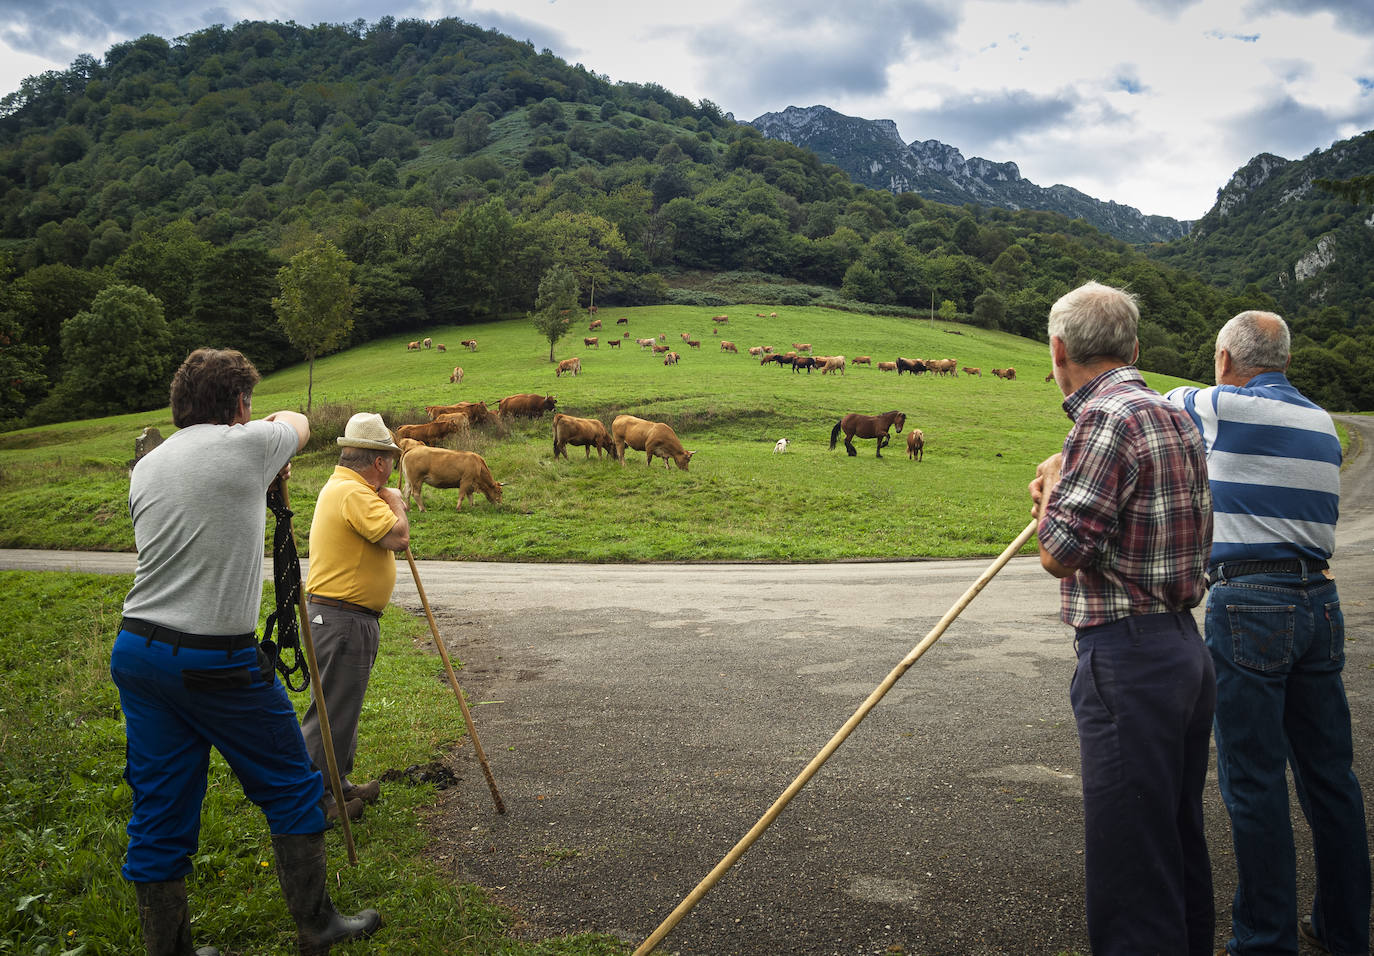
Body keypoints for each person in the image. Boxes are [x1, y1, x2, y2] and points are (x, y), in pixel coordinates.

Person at [112, 348, 380, 955]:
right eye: (248, 403)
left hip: (138, 651)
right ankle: (318, 926)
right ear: (240, 403)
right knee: (292, 784)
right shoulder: (249, 444)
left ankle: (170, 951)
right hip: (214, 658)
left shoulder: (148, 466)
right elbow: (299, 423)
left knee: (159, 807)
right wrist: (264, 437)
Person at [1166, 311, 1370, 956]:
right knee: (1330, 777)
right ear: (1285, 360)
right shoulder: (1322, 422)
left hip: (1250, 601)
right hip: (1321, 601)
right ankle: (1345, 929)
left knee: (1253, 779)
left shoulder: (1220, 406)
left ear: (1225, 360)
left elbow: (1149, 403)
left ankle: (1265, 940)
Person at [1027, 281, 1216, 955]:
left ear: (1058, 350)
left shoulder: (1104, 419)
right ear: (1134, 348)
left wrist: (1052, 487)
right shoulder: (1173, 415)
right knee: (1172, 840)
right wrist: (1064, 479)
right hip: (1183, 649)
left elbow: (1061, 552)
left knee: (1132, 862)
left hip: (1128, 657)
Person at [301, 413, 409, 820]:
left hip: (344, 617)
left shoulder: (347, 488)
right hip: (342, 619)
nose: (392, 469)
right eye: (391, 461)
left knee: (341, 706)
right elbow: (398, 537)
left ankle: (337, 783)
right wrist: (395, 502)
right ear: (379, 462)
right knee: (330, 712)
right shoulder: (353, 493)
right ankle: (314, 801)